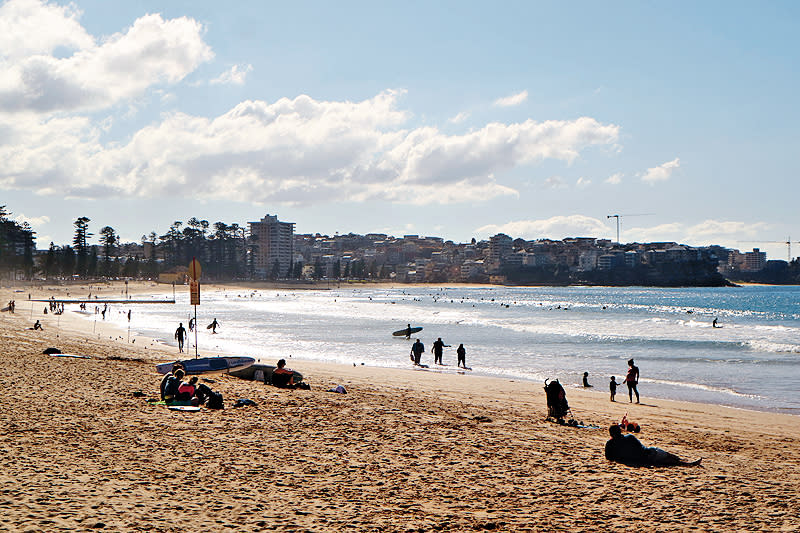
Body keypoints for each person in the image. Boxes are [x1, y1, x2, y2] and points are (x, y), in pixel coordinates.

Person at [605, 424, 701, 466]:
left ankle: (683, 462)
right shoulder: (629, 437)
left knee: (665, 459)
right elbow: (641, 448)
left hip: (636, 459)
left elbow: (608, 457)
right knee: (666, 456)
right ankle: (684, 462)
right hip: (645, 456)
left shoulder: (610, 444)